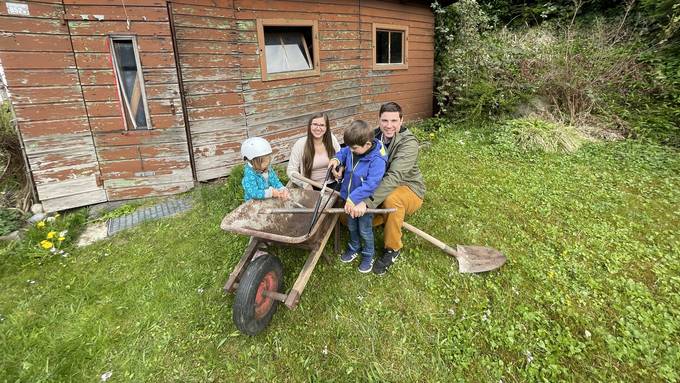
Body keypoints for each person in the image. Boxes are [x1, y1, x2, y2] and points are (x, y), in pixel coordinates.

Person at [347, 102, 426, 275]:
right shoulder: (373, 136)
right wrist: (339, 163)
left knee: (392, 199)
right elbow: (352, 149)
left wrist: (367, 202)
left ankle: (392, 249)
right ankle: (374, 224)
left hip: (407, 187)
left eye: (394, 121)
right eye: (385, 120)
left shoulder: (409, 143)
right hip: (380, 184)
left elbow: (394, 177)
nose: (389, 125)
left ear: (401, 120)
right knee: (349, 205)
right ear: (379, 120)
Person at [328, 120, 387, 273]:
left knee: (365, 230)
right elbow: (343, 151)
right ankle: (354, 247)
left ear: (367, 144)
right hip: (349, 199)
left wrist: (353, 199)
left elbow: (371, 184)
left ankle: (368, 254)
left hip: (362, 201)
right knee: (352, 226)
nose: (351, 151)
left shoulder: (377, 159)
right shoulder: (353, 148)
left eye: (354, 148)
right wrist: (336, 159)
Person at [287, 113, 341, 190]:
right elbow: (291, 170)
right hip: (311, 187)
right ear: (310, 126)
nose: (318, 128)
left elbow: (341, 156)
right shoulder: (300, 144)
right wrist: (305, 184)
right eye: (315, 124)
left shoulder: (331, 139)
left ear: (326, 127)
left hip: (332, 183)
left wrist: (339, 170)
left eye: (322, 125)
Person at [240, 137, 290, 201]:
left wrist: (282, 189)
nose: (267, 164)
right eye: (264, 162)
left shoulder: (267, 168)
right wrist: (270, 193)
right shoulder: (249, 175)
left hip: (267, 198)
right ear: (253, 162)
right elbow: (253, 193)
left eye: (268, 160)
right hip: (254, 202)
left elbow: (275, 181)